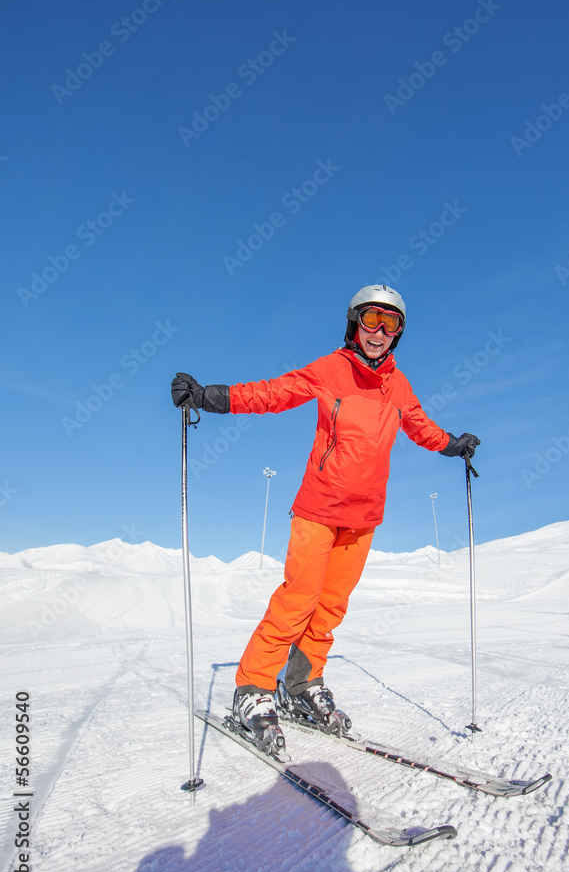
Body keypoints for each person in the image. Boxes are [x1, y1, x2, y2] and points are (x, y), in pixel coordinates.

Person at [171, 284, 479, 753]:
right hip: (318, 507)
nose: (379, 331)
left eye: (390, 323)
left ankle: (300, 685)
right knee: (298, 599)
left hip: (363, 518)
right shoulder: (330, 370)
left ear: (398, 334)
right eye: (371, 319)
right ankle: (252, 690)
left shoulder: (399, 387)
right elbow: (274, 392)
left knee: (331, 607)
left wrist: (455, 445)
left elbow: (422, 427)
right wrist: (212, 397)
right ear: (354, 323)